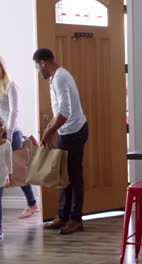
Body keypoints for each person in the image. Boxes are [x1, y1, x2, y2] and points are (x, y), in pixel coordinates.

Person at [33, 48, 88, 235]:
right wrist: (52, 128)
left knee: (73, 176)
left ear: (42, 63)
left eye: (36, 67)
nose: (38, 71)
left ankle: (75, 220)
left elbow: (66, 112)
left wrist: (49, 132)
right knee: (63, 176)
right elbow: (60, 111)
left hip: (74, 132)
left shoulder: (61, 77)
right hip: (66, 131)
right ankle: (62, 217)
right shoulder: (55, 78)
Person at [0, 57, 40, 218]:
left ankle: (32, 204)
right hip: (1, 131)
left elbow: (14, 111)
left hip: (11, 133)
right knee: (5, 170)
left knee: (17, 170)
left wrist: (8, 134)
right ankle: (32, 203)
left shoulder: (11, 86)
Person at [0, 117, 12, 240]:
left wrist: (9, 176)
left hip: (1, 177)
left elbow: (9, 162)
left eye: (1, 125)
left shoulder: (7, 144)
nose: (0, 127)